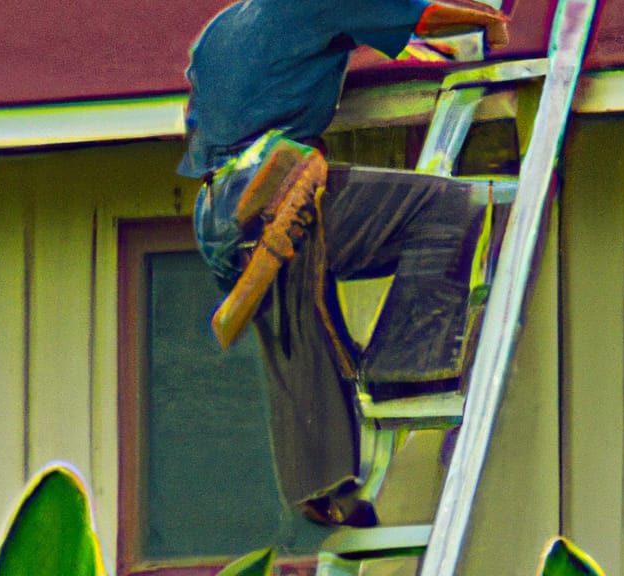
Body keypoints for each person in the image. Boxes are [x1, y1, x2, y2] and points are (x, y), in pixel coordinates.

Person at [178, 0, 510, 529]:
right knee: (448, 206)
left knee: (297, 334)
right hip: (277, 185)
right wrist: (488, 20)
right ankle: (404, 367)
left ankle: (321, 488)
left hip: (219, 214)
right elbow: (418, 16)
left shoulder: (220, 30)